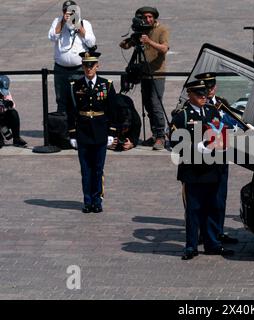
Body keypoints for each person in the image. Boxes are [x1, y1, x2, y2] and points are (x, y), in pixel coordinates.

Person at [170, 80, 234, 260]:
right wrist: (198, 147)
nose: (203, 97)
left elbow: (220, 131)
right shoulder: (181, 116)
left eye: (205, 94)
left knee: (212, 207)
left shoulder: (212, 111)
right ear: (189, 94)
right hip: (193, 170)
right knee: (194, 209)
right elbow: (176, 143)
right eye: (199, 94)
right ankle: (191, 246)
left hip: (212, 167)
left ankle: (212, 243)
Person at [67, 49, 117, 213]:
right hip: (83, 132)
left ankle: (97, 200)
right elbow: (71, 111)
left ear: (97, 66)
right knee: (85, 169)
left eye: (91, 66)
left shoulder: (106, 85)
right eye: (85, 66)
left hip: (100, 131)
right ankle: (87, 201)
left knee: (98, 168)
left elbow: (113, 111)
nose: (88, 69)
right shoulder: (76, 86)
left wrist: (112, 132)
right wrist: (73, 133)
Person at [194, 72, 239, 245]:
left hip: (221, 156)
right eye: (206, 87)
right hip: (204, 158)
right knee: (203, 198)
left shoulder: (222, 103)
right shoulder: (196, 106)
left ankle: (217, 231)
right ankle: (202, 233)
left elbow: (233, 122)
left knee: (220, 197)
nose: (210, 90)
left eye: (212, 86)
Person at [119, 6, 169, 150]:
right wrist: (130, 41)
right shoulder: (142, 30)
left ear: (154, 17)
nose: (147, 19)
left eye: (150, 17)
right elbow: (124, 46)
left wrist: (149, 42)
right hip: (144, 74)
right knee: (147, 104)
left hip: (157, 73)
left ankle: (161, 136)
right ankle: (154, 134)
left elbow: (164, 49)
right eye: (145, 17)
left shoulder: (162, 30)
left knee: (156, 104)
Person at [48, 0, 96, 113]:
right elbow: (52, 37)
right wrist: (62, 23)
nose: (68, 14)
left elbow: (92, 43)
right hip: (61, 69)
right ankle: (64, 127)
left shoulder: (85, 23)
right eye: (66, 11)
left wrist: (79, 27)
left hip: (79, 69)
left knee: (81, 99)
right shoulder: (57, 22)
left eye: (71, 11)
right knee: (61, 100)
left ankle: (80, 128)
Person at [0, 75, 27, 148]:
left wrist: (8, 104)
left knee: (13, 113)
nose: (2, 95)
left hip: (2, 119)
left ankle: (16, 138)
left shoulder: (6, 93)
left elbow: (11, 106)